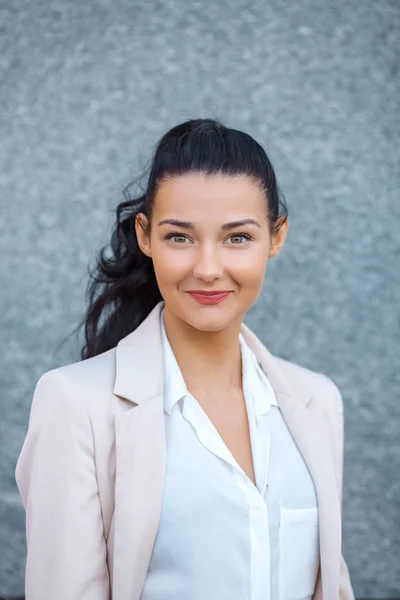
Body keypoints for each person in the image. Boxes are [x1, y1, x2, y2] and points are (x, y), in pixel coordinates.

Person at [15, 118, 355, 600]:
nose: (209, 269)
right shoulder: (75, 404)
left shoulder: (317, 402)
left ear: (276, 238)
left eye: (237, 237)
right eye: (180, 237)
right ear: (145, 235)